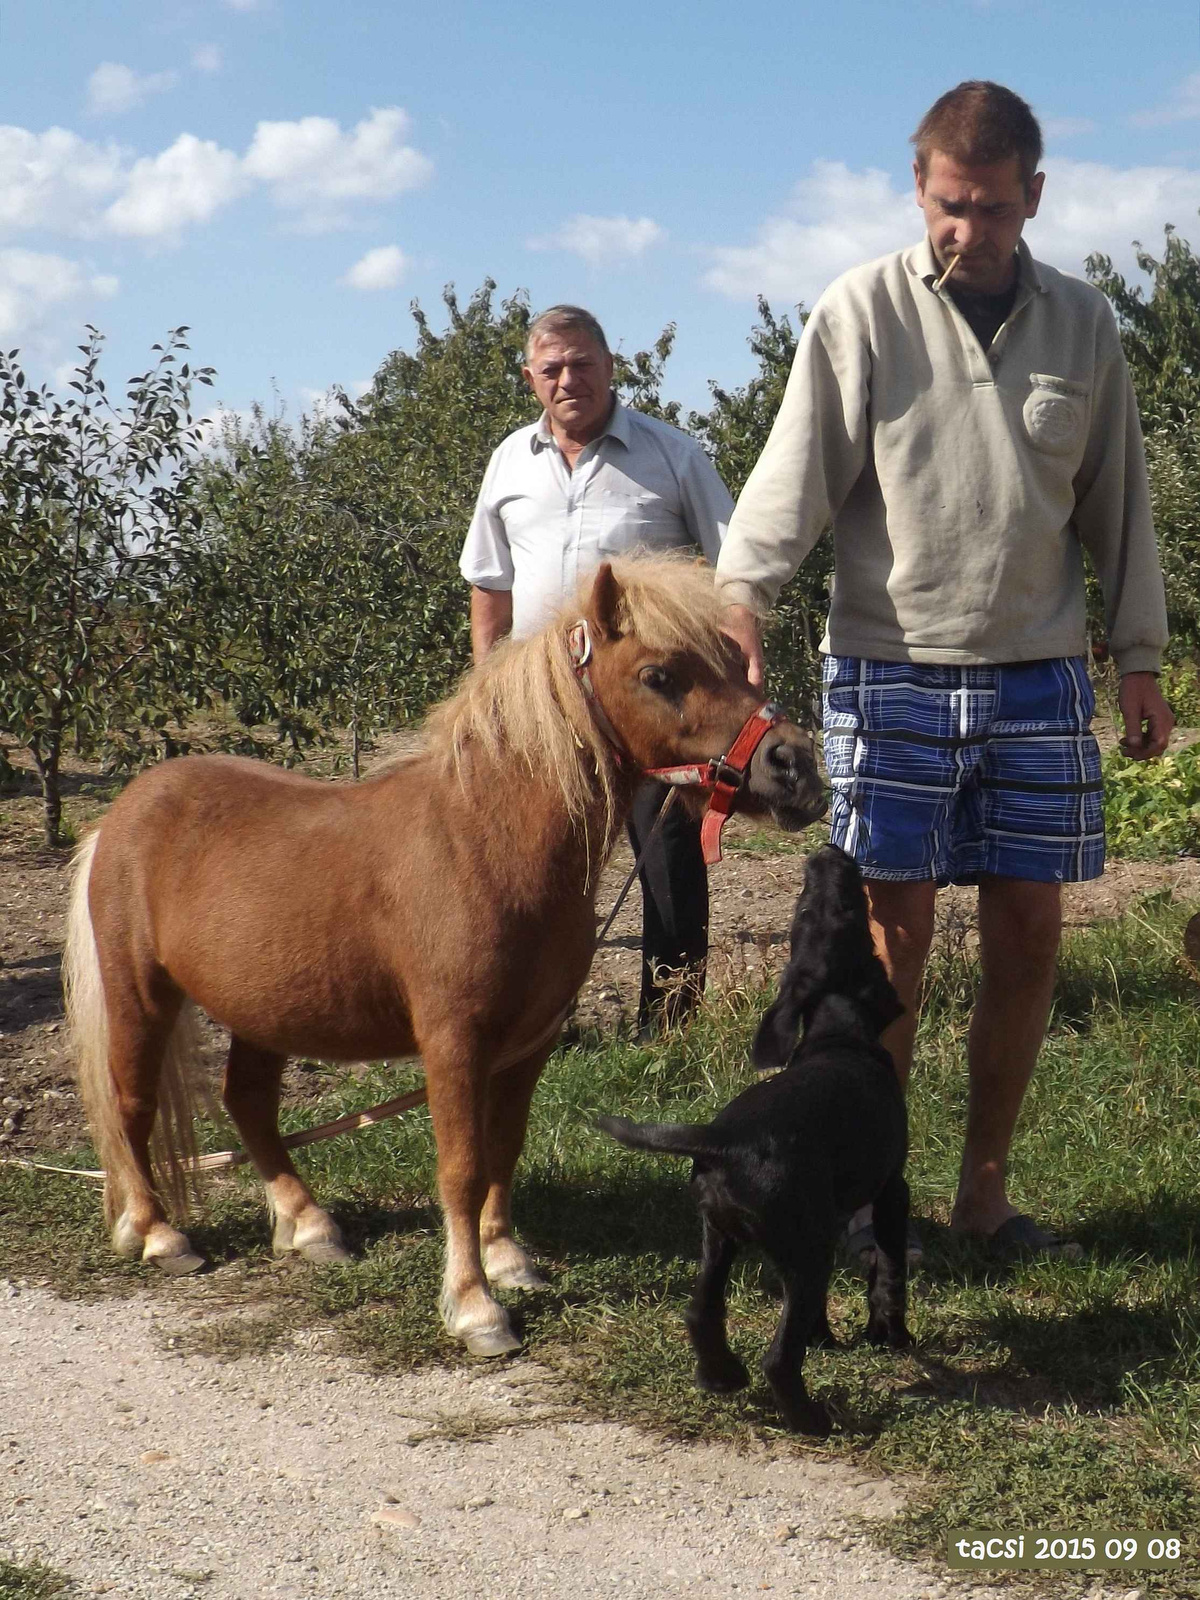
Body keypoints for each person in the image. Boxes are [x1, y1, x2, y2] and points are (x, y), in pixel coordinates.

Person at [716, 81, 1174, 1260]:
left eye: (991, 209)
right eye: (947, 204)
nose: (965, 230)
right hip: (892, 667)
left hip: (1037, 675)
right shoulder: (860, 310)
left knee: (1029, 932)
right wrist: (743, 592)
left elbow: (1119, 502)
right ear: (920, 186)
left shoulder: (1086, 326)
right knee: (891, 942)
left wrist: (1138, 657)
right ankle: (876, 1208)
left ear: (1035, 195)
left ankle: (984, 1194)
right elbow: (795, 470)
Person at [460, 304, 735, 1035]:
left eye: (582, 363)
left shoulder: (671, 454)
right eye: (551, 369)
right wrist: (486, 688)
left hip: (646, 707)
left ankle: (671, 1024)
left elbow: (732, 571)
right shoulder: (509, 463)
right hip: (543, 711)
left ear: (612, 367)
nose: (568, 379)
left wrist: (732, 679)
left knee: (667, 855)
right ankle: (544, 1023)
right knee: (541, 868)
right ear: (530, 379)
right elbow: (490, 583)